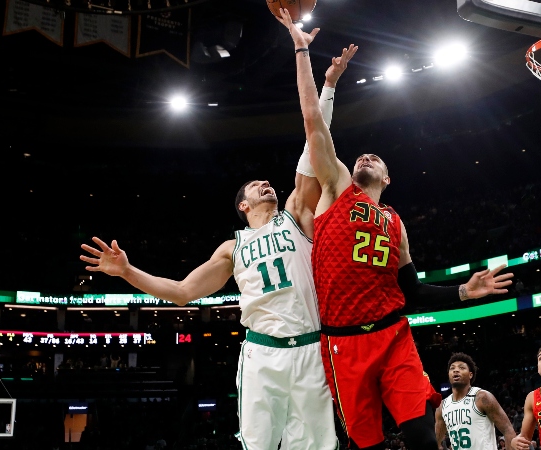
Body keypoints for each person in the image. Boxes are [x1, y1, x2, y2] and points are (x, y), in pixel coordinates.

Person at [79, 52, 357, 450]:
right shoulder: (232, 247)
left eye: (266, 181)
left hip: (312, 348)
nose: (265, 183)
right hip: (262, 353)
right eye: (255, 185)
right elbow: (182, 292)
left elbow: (315, 139)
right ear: (243, 205)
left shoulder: (297, 214)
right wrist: (126, 271)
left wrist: (328, 86)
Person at [276, 8, 514, 449]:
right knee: (367, 444)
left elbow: (413, 291)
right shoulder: (337, 188)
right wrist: (303, 54)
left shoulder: (396, 223)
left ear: (387, 178)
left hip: (392, 334)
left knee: (421, 433)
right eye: (360, 157)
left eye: (375, 159)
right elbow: (312, 121)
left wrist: (465, 292)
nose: (365, 157)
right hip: (343, 342)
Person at [435, 353, 517, 450]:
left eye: (461, 368)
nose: (456, 370)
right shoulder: (442, 406)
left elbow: (508, 430)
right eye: (452, 368)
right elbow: (437, 442)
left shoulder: (482, 397)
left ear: (470, 375)